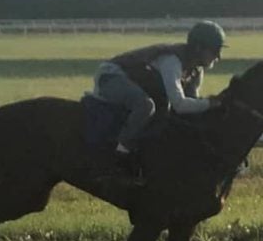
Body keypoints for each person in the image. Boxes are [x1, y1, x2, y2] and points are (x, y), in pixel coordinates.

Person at [92, 20, 226, 176]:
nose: (218, 57)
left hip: (131, 80)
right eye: (215, 50)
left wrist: (209, 105)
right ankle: (120, 155)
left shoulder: (196, 70)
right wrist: (209, 103)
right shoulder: (172, 61)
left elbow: (190, 107)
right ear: (198, 48)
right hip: (111, 76)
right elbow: (180, 105)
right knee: (145, 105)